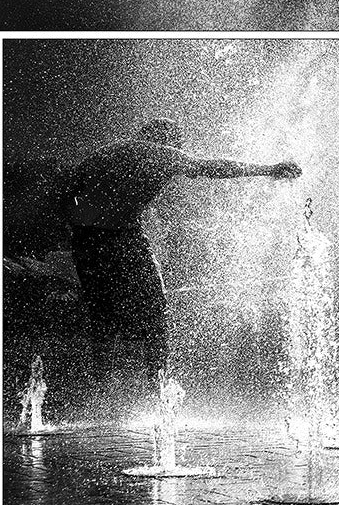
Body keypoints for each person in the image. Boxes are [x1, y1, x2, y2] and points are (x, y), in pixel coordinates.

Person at [66, 117, 300, 397]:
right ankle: (158, 387)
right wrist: (269, 169)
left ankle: (100, 388)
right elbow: (214, 167)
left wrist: (72, 221)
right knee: (156, 309)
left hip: (86, 237)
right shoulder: (161, 153)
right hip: (120, 236)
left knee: (102, 314)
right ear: (170, 141)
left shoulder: (109, 151)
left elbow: (68, 186)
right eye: (178, 145)